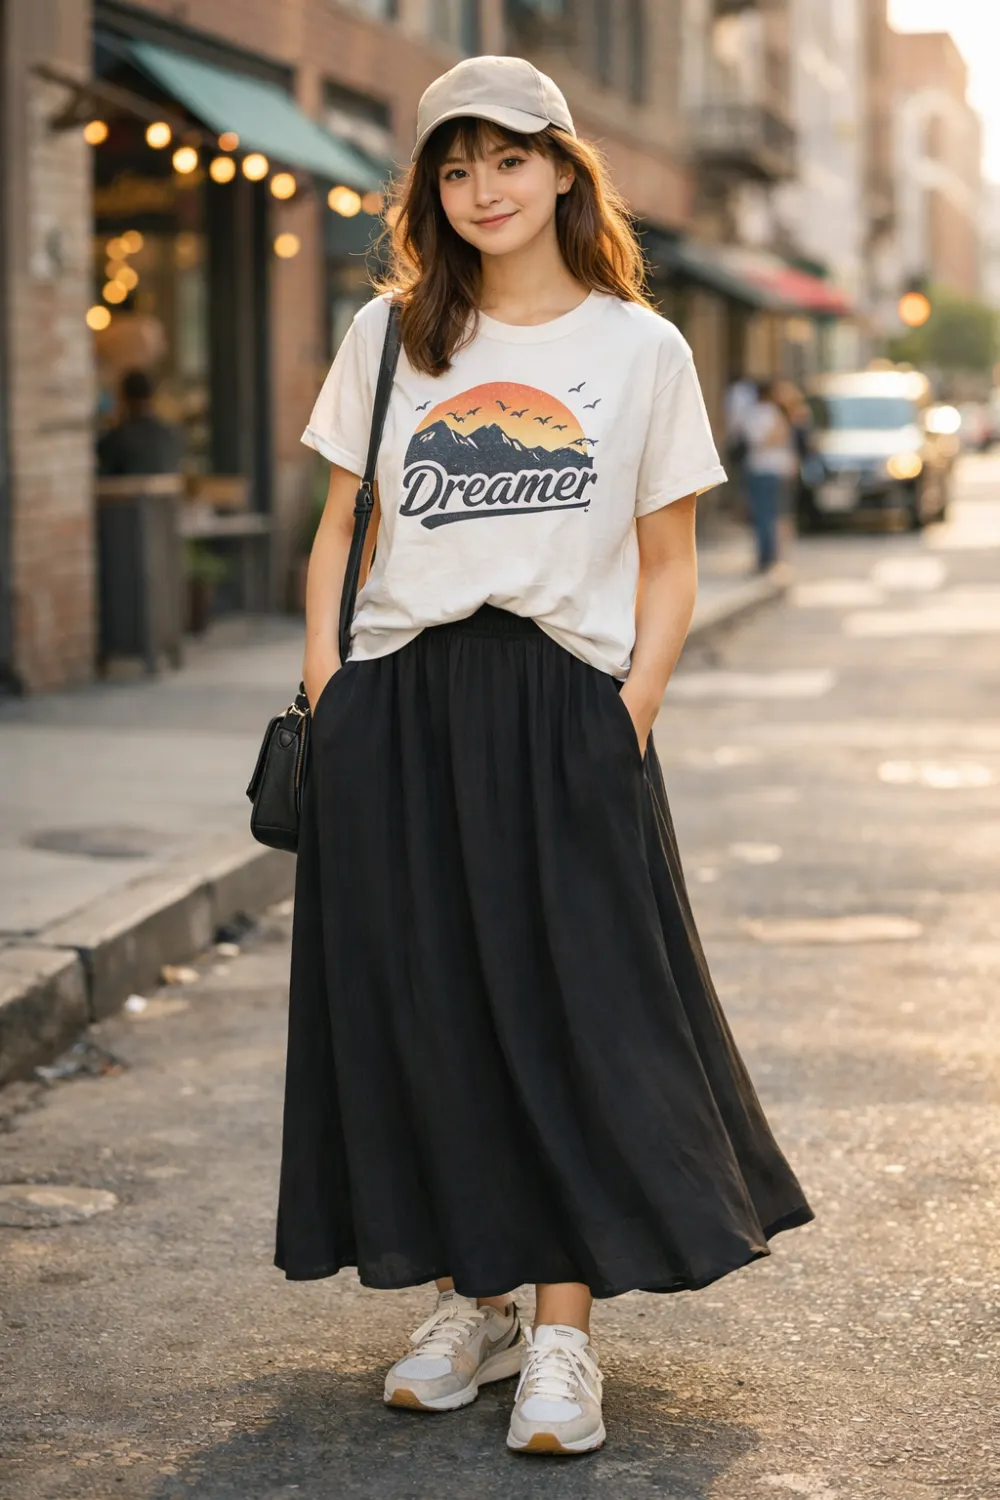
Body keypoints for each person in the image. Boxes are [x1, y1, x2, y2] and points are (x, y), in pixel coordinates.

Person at [278, 55, 813, 1457]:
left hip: (562, 701)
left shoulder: (641, 350)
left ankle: (564, 1331)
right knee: (432, 1010)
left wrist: (626, 710)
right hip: (402, 700)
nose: (483, 190)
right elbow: (339, 528)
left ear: (565, 169)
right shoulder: (389, 335)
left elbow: (670, 561)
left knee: (574, 1013)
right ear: (429, 190)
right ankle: (475, 1304)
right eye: (455, 169)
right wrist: (334, 689)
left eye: (508, 159)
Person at [742, 380, 797, 573]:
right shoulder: (769, 413)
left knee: (767, 515)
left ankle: (768, 558)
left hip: (766, 469)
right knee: (770, 515)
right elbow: (771, 439)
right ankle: (770, 557)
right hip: (769, 470)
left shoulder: (758, 414)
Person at [96, 369, 183, 477]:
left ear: (123, 399)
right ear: (153, 397)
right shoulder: (171, 437)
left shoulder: (115, 439)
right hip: (166, 489)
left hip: (123, 488)